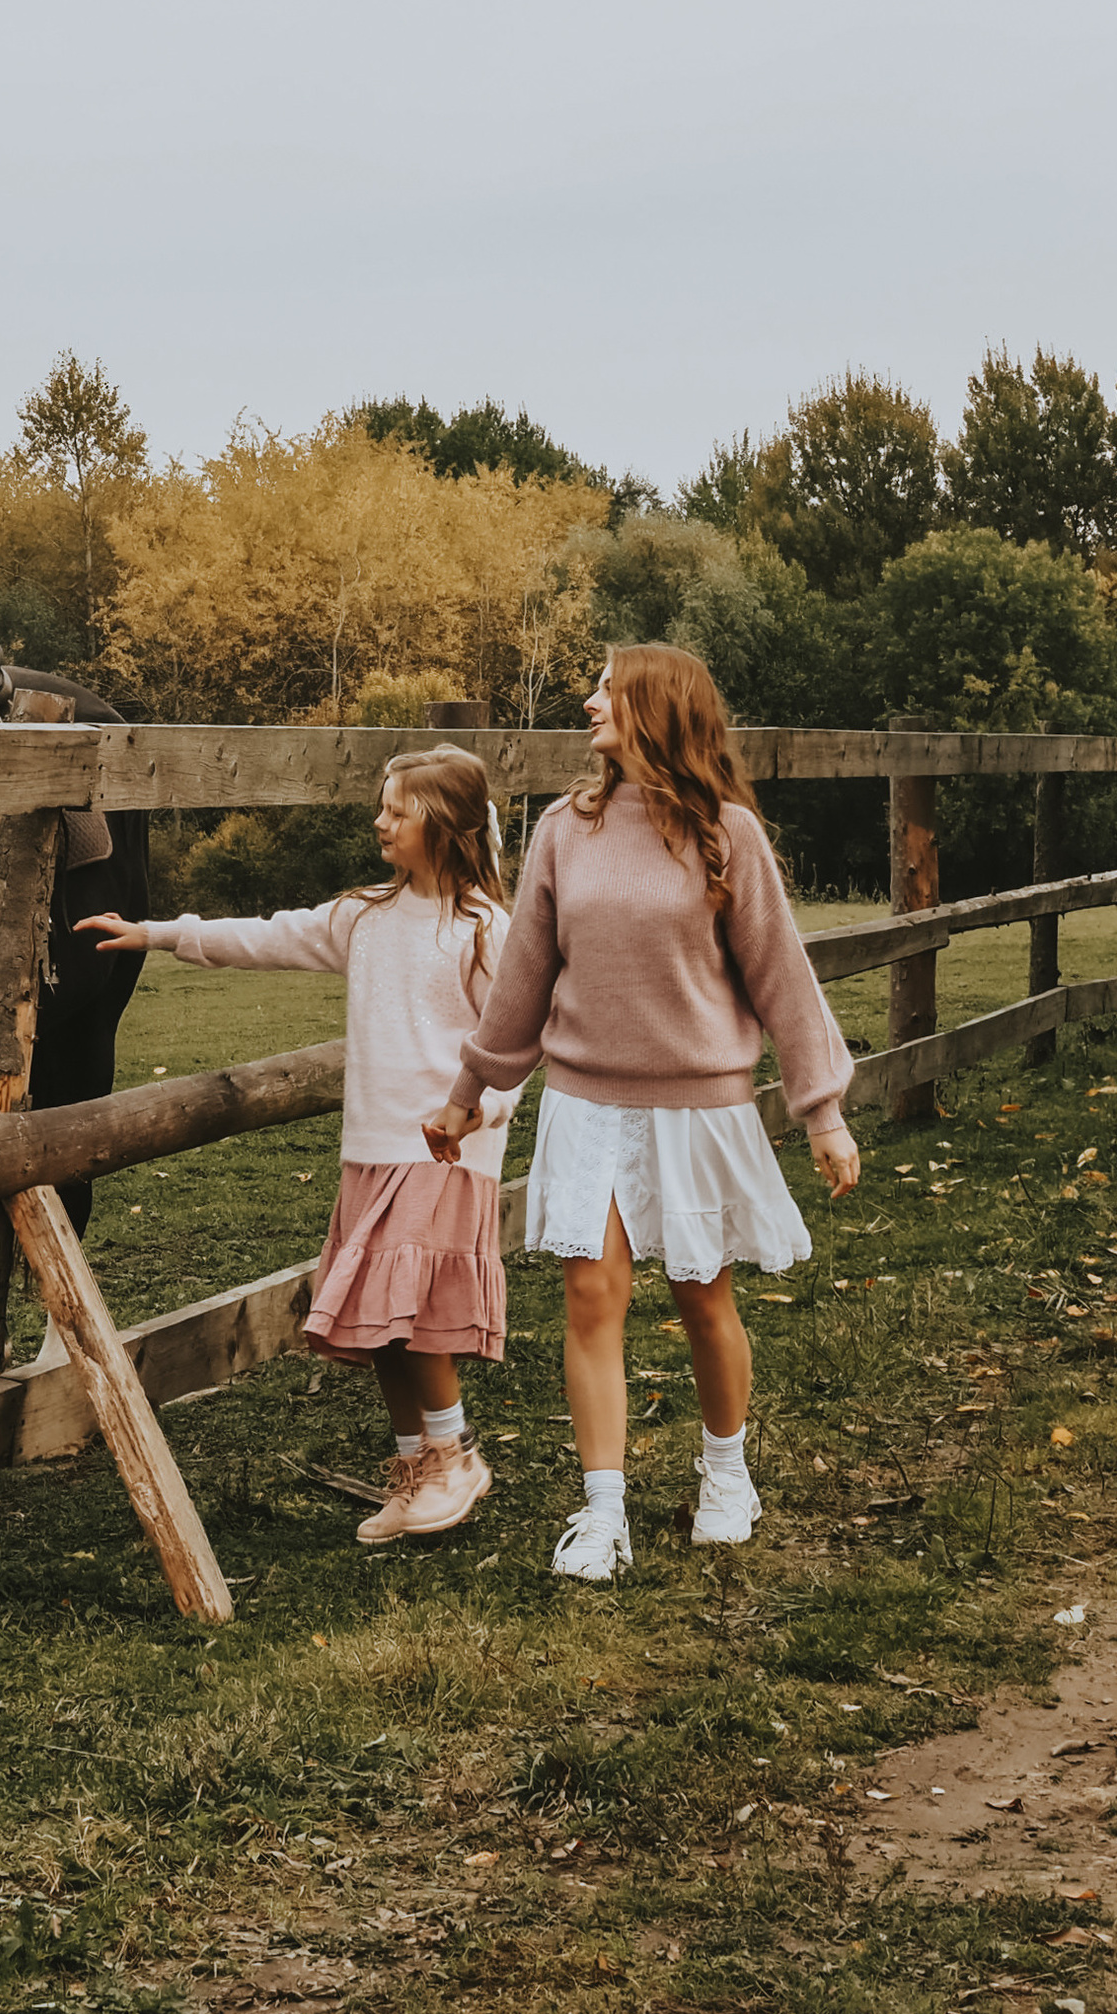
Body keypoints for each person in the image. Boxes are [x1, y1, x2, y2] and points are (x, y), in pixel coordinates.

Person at [429, 645, 860, 1580]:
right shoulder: (561, 830)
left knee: (704, 1298)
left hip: (698, 1110)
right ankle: (603, 1512)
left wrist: (821, 1111)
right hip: (587, 1102)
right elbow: (523, 982)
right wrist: (470, 1095)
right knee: (592, 1297)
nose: (589, 700)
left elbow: (785, 979)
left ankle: (726, 1474)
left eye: (608, 687)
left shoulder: (727, 835)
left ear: (658, 708)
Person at [79, 746, 521, 1543]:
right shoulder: (363, 916)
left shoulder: (486, 930)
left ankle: (456, 1456)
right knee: (378, 1321)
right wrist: (156, 933)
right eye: (382, 807)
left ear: (447, 825)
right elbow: (265, 936)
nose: (379, 821)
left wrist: (477, 1115)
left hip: (445, 1153)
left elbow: (515, 1043)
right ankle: (415, 1466)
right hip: (373, 1147)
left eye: (397, 810)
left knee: (412, 1316)